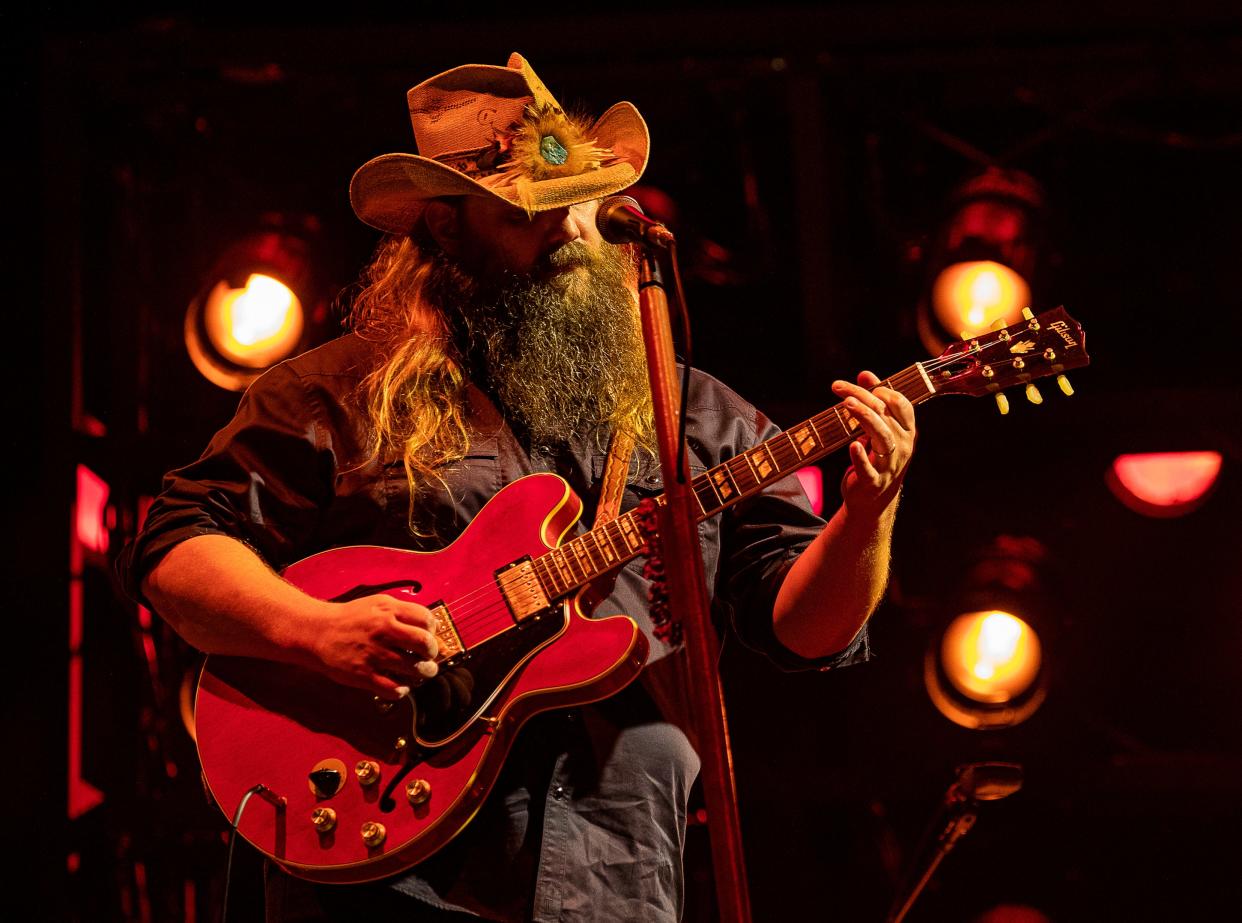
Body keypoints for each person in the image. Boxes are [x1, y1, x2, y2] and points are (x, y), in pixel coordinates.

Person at [118, 53, 916, 922]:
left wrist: (868, 513)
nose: (572, 231)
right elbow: (173, 546)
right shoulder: (333, 392)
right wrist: (315, 631)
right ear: (449, 229)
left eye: (575, 200)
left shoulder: (690, 410)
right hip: (387, 872)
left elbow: (804, 628)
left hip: (617, 869)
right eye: (528, 211)